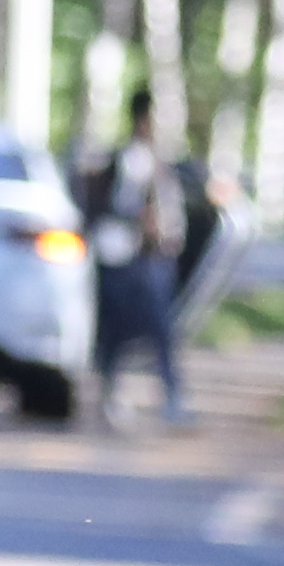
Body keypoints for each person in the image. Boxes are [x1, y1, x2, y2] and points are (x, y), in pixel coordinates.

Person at [86, 87, 191, 425]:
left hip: (152, 256)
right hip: (126, 254)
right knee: (118, 329)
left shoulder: (160, 160)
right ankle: (111, 394)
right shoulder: (129, 160)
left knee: (160, 329)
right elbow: (117, 206)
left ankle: (169, 395)